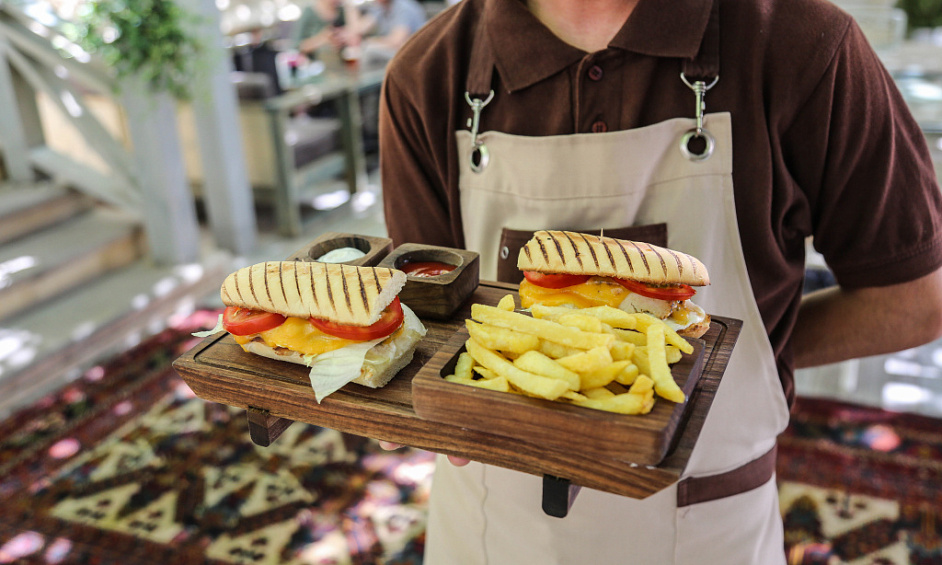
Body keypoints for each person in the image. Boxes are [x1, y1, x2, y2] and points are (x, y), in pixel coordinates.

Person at [377, 0, 942, 563]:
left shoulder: (805, 46)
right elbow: (429, 314)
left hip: (708, 521)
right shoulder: (429, 72)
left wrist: (744, 361)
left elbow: (915, 300)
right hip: (489, 520)